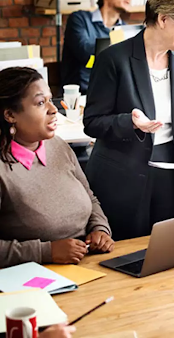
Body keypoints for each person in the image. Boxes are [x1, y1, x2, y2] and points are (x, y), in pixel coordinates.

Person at [84, 0, 174, 241]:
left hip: (171, 172)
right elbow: (93, 121)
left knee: (171, 251)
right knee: (123, 257)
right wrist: (129, 122)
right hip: (122, 175)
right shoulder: (113, 59)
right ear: (164, 18)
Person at [0, 67, 113, 269]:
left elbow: (90, 198)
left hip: (88, 265)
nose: (53, 110)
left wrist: (100, 229)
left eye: (50, 100)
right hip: (34, 276)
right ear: (10, 115)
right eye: (40, 103)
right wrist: (46, 252)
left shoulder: (58, 146)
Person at [61, 0, 131, 93]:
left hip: (112, 93)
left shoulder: (125, 29)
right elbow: (84, 52)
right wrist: (121, 47)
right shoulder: (79, 19)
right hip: (81, 94)